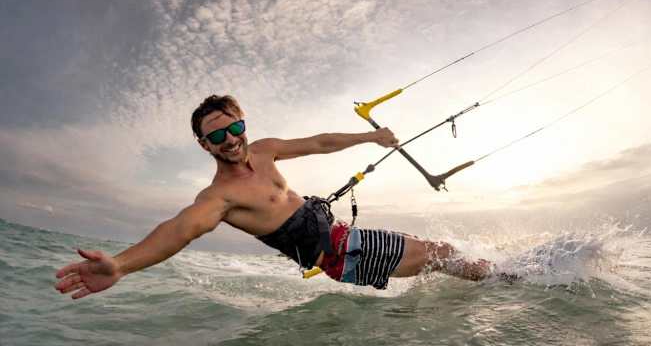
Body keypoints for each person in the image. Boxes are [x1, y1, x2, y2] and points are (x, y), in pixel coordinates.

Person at [55, 95, 493, 299]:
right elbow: (178, 231)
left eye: (234, 128)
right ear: (204, 145)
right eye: (217, 136)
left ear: (243, 124)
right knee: (442, 253)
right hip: (342, 255)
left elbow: (318, 143)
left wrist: (369, 137)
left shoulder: (264, 151)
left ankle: (492, 283)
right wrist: (120, 265)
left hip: (345, 238)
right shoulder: (219, 197)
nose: (231, 140)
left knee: (436, 256)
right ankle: (511, 282)